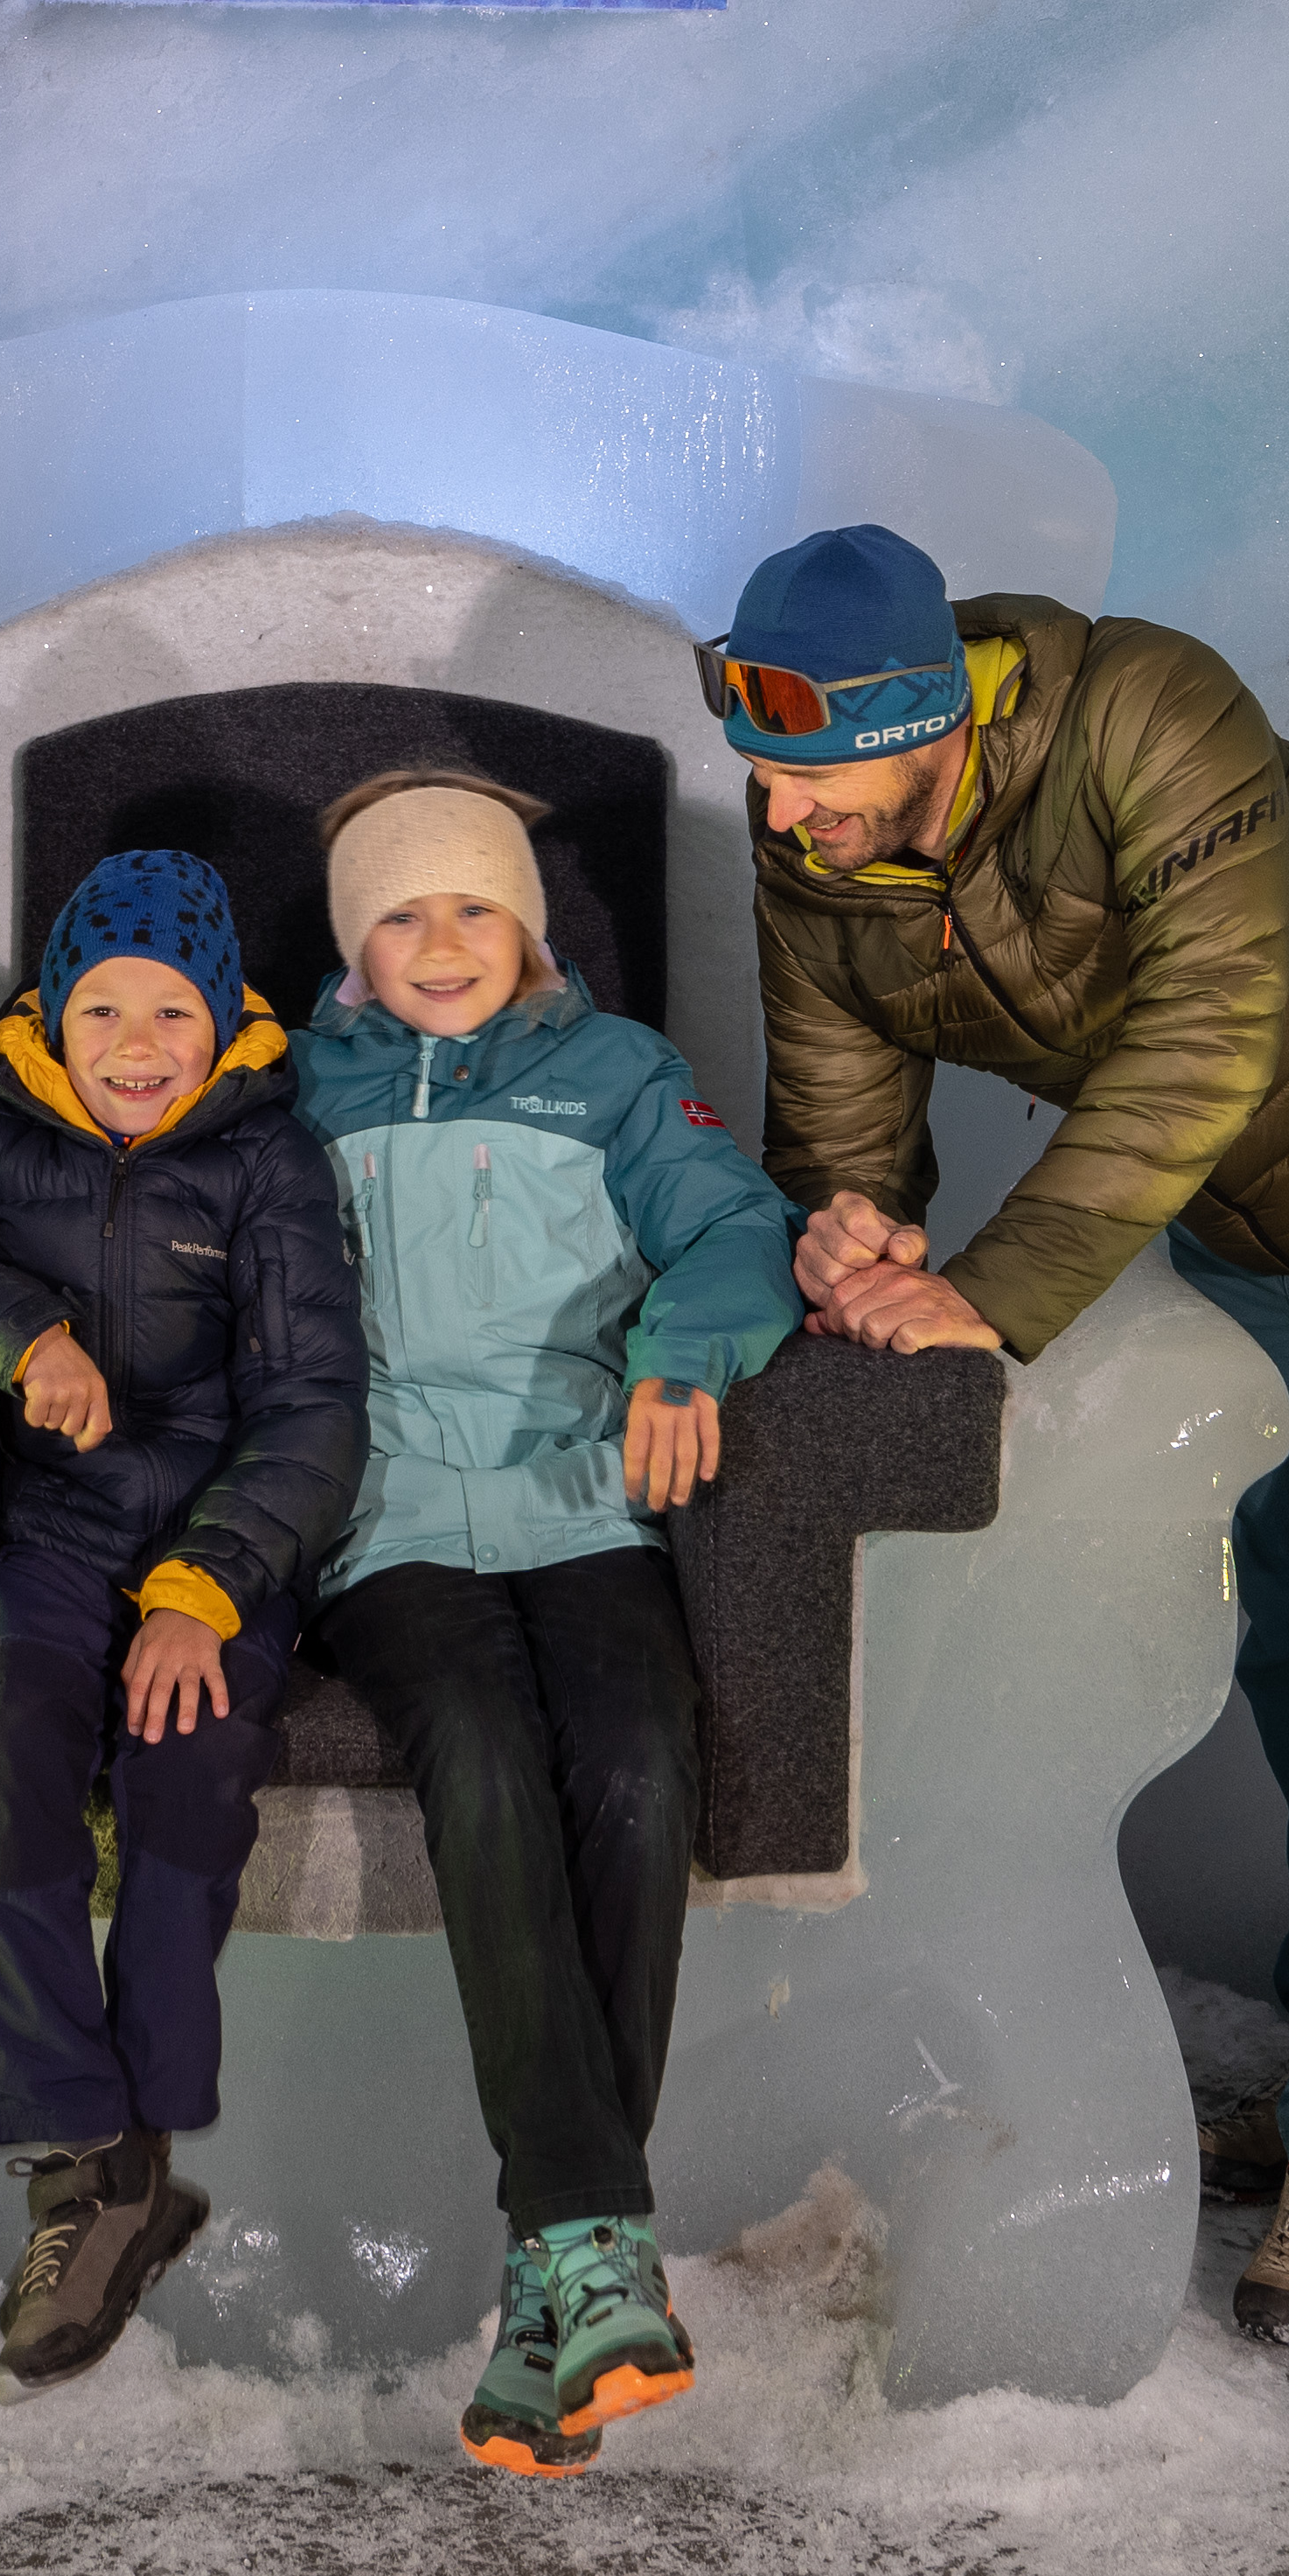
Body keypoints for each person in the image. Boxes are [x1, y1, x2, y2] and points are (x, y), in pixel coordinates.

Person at [709, 520, 1289, 2355]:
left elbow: (1204, 1033)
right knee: (1283, 1636)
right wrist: (845, 1225)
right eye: (761, 785)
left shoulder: (1149, 709)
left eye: (810, 779)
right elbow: (840, 1109)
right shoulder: (820, 850)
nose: (782, 825)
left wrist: (992, 1293)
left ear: (924, 718)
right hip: (1232, 1228)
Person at [285, 769, 803, 2475]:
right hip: (392, 1520)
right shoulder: (293, 1090)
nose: (442, 940)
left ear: (531, 925)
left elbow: (733, 1229)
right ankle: (593, 2243)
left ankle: (555, 2286)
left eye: (475, 907)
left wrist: (680, 1355)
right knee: (487, 1761)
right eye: (403, 910)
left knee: (641, 1760)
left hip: (584, 1496)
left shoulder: (616, 1074)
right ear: (354, 939)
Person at [0, 844, 366, 2394]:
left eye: (170, 1016)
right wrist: (23, 1331)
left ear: (224, 1024)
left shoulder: (272, 1162)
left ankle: (141, 2147)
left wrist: (206, 1591)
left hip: (217, 1544)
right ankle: (89, 2162)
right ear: (52, 1014)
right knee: (20, 1736)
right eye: (102, 1008)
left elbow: (316, 1407)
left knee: (186, 1773)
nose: (134, 1047)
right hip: (53, 1526)